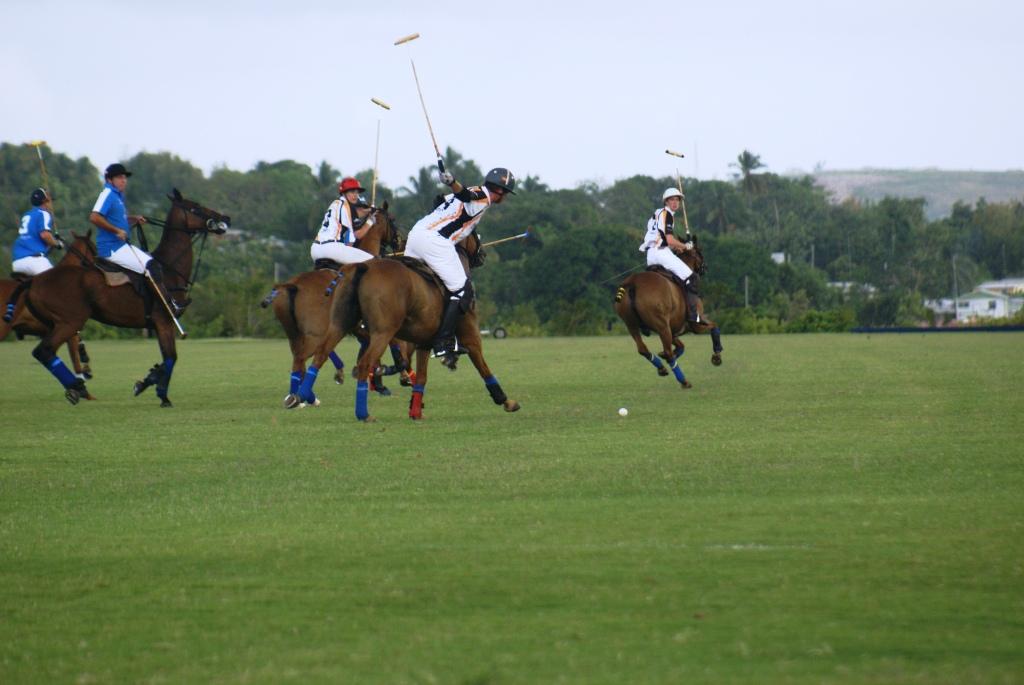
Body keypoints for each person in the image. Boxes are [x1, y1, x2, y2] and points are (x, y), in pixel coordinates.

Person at [405, 164, 514, 365]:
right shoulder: (483, 195)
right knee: (462, 289)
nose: (504, 197)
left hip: (415, 235)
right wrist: (452, 182)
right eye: (505, 193)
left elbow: (442, 200)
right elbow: (466, 194)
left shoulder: (471, 196)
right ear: (499, 190)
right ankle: (443, 342)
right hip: (435, 241)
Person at [89, 163, 177, 313]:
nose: (124, 180)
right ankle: (166, 307)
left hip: (120, 246)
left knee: (151, 264)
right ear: (110, 180)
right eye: (119, 177)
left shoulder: (117, 196)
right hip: (112, 248)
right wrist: (116, 230)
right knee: (151, 266)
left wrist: (132, 219)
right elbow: (94, 217)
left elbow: (117, 218)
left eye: (124, 177)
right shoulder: (107, 194)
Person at [640, 187, 701, 322]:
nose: (675, 203)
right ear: (666, 202)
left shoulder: (657, 213)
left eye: (677, 200)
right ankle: (693, 316)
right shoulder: (667, 215)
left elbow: (660, 236)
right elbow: (669, 239)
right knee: (692, 278)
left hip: (651, 255)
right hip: (662, 254)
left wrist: (676, 247)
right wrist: (685, 246)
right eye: (672, 200)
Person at [311, 177, 375, 265]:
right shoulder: (346, 206)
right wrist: (370, 221)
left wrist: (368, 211)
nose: (355, 195)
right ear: (344, 193)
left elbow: (357, 213)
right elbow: (358, 235)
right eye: (352, 192)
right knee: (375, 262)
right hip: (331, 249)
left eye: (357, 193)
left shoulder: (336, 204)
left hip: (315, 250)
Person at [11, 187, 61, 276]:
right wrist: (57, 244)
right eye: (49, 201)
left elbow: (35, 239)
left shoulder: (27, 215)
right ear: (44, 201)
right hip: (34, 261)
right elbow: (45, 235)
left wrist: (52, 241)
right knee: (56, 283)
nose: (51, 204)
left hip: (17, 262)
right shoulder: (44, 213)